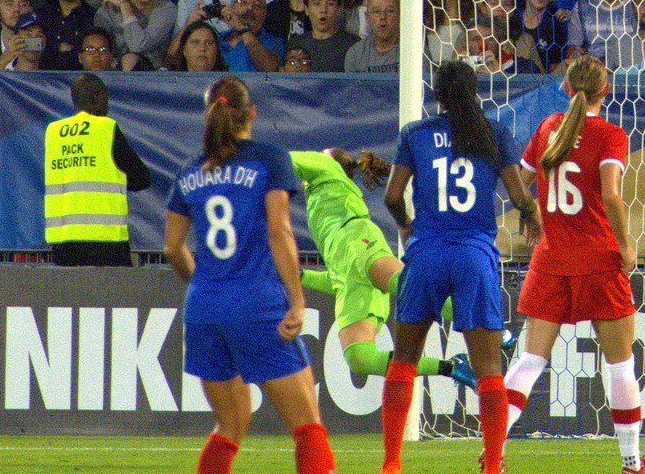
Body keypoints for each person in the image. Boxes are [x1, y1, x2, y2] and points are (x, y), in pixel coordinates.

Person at [163, 75, 335, 474]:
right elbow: (279, 231)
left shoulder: (190, 171)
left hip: (203, 307)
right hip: (256, 303)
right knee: (308, 425)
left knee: (230, 424)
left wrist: (204, 285)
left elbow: (172, 247)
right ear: (251, 112)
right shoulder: (269, 159)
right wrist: (296, 298)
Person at [504, 56, 645, 474]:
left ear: (564, 88)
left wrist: (530, 214)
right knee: (620, 364)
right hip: (598, 259)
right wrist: (627, 246)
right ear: (605, 91)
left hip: (551, 258)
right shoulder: (610, 134)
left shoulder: (546, 129)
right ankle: (632, 464)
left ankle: (493, 452)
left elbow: (519, 183)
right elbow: (611, 195)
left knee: (529, 361)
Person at [380, 60, 540, 474]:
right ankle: (492, 467)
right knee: (488, 368)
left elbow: (393, 196)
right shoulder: (494, 134)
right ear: (474, 93)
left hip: (427, 253)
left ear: (437, 94)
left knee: (404, 360)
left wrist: (405, 227)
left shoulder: (415, 134)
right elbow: (519, 195)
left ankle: (392, 463)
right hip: (474, 256)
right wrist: (531, 215)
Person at [292, 147, 468, 387]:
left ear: (331, 161)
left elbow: (280, 160)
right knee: (358, 358)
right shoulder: (322, 199)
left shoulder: (328, 168)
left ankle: (488, 328)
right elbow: (336, 279)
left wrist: (236, 161)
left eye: (319, 155)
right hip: (348, 271)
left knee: (411, 290)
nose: (312, 156)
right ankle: (452, 367)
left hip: (359, 240)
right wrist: (300, 275)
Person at [44, 73, 153, 267]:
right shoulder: (105, 128)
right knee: (113, 297)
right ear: (96, 97)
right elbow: (142, 178)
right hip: (105, 242)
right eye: (105, 97)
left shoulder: (54, 132)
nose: (108, 104)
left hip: (63, 242)